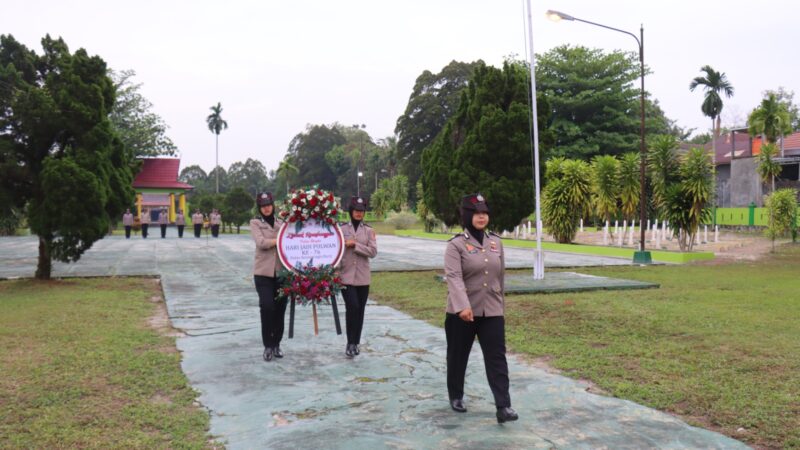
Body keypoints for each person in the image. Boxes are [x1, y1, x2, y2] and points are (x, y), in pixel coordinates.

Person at [444, 193, 518, 424]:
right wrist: (462, 306)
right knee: (458, 356)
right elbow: (454, 278)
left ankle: (503, 406)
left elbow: (500, 277)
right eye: (476, 213)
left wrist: (501, 307)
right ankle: (456, 395)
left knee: (497, 358)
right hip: (462, 313)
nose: (481, 217)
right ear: (467, 216)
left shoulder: (496, 243)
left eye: (484, 213)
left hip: (492, 311)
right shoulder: (456, 245)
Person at [339, 196, 378, 357]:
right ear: (351, 211)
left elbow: (373, 251)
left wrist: (356, 245)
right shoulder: (341, 230)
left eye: (361, 211)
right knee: (352, 307)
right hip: (345, 276)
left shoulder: (368, 230)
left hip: (362, 277)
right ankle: (350, 342)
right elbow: (335, 250)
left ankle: (356, 343)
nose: (359, 214)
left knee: (360, 310)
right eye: (356, 211)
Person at [250, 192, 287, 362]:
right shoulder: (255, 223)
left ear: (273, 205)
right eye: (263, 205)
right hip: (263, 273)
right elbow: (262, 243)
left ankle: (276, 344)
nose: (266, 208)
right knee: (267, 307)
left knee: (280, 310)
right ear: (260, 207)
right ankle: (267, 345)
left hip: (281, 273)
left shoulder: (282, 224)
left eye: (268, 205)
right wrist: (281, 239)